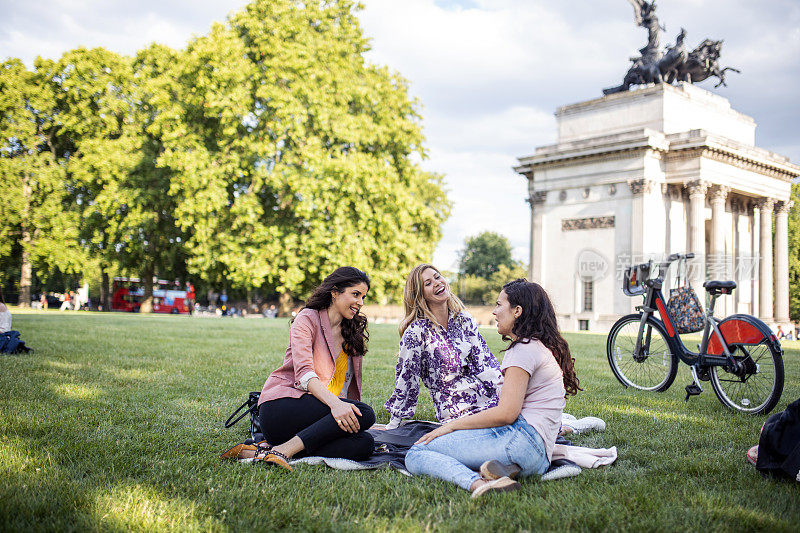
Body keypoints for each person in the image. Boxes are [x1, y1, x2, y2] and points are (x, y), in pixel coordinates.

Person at [404, 279, 581, 498]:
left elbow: (506, 413)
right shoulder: (538, 346)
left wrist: (450, 427)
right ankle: (501, 470)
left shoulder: (523, 350)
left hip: (521, 442)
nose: (495, 312)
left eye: (499, 305)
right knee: (454, 445)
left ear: (517, 311)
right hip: (539, 459)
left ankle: (478, 484)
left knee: (418, 452)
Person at [221, 267, 375, 470]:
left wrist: (347, 412)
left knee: (364, 444)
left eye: (363, 296)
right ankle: (282, 452)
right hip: (282, 406)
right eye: (355, 294)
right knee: (365, 413)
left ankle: (267, 450)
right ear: (335, 292)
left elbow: (346, 387)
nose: (360, 302)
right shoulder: (308, 319)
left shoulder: (351, 331)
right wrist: (338, 406)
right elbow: (305, 375)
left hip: (315, 416)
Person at [384, 264, 502, 429]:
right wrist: (394, 424)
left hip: (487, 398)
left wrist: (505, 392)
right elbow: (407, 379)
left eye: (437, 277)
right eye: (428, 283)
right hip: (457, 411)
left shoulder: (464, 319)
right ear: (420, 294)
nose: (437, 283)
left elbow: (485, 362)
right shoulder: (416, 332)